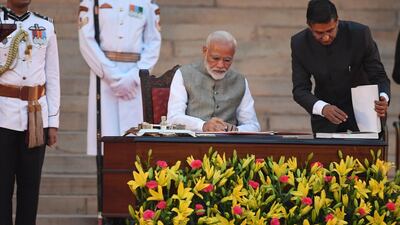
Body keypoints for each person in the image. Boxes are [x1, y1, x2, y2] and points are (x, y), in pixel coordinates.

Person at [0, 0, 60, 224]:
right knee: (2, 187)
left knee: (30, 188)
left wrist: (53, 122)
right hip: (3, 115)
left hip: (35, 117)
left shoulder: (45, 26)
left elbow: (52, 76)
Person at [291, 0, 390, 133]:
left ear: (337, 21)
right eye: (319, 33)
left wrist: (383, 97)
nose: (326, 37)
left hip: (366, 114)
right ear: (309, 26)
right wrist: (323, 108)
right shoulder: (299, 43)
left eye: (330, 30)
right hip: (326, 119)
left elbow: (378, 75)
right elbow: (300, 90)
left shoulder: (360, 34)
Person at [78, 0, 161, 155]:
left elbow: (153, 42)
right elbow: (86, 41)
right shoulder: (91, 2)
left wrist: (135, 77)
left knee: (134, 143)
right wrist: (112, 76)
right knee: (105, 140)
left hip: (134, 79)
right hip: (104, 78)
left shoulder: (147, 3)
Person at [167, 31, 260, 132]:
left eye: (227, 60)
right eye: (215, 58)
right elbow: (173, 118)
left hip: (229, 144)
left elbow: (253, 125)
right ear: (205, 51)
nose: (220, 65)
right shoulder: (184, 74)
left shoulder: (240, 81)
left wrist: (236, 130)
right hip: (193, 143)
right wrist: (202, 126)